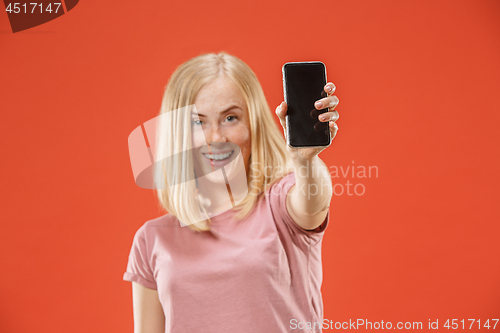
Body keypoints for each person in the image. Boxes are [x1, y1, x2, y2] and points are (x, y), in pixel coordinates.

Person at [123, 52, 340, 333]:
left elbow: (313, 202)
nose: (216, 138)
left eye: (230, 118)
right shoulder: (152, 240)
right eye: (198, 122)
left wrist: (305, 161)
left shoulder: (281, 205)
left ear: (253, 124)